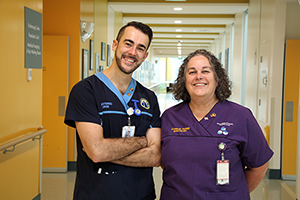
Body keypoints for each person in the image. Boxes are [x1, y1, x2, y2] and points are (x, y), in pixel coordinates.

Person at [64, 21, 161, 200]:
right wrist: (141, 142)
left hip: (141, 195)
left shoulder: (149, 98)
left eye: (140, 48)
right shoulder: (86, 91)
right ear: (115, 45)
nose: (132, 52)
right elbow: (96, 151)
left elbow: (155, 156)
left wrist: (105, 153)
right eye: (128, 43)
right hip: (96, 194)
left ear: (145, 55)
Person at [160, 49, 273, 200]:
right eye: (192, 72)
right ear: (184, 80)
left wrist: (233, 194)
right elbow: (164, 161)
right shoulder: (170, 117)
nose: (198, 76)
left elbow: (259, 167)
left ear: (217, 78)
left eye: (205, 71)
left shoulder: (241, 116)